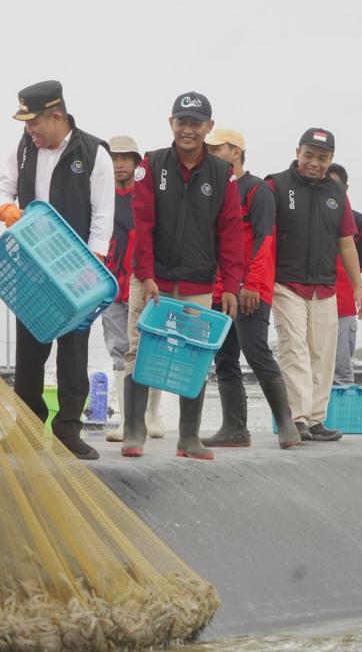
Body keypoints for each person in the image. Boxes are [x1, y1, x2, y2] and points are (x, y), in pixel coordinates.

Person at [0, 80, 114, 460]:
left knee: (73, 349)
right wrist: (7, 211)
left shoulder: (94, 153)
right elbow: (2, 190)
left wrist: (94, 263)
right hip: (32, 263)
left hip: (75, 265)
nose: (30, 130)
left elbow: (103, 214)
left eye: (34, 123)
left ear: (56, 115)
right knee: (29, 350)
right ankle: (25, 429)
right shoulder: (24, 148)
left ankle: (68, 430)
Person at [126, 92, 244, 460]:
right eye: (182, 122)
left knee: (195, 357)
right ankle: (134, 431)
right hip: (152, 279)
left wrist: (230, 286)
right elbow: (141, 225)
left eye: (196, 123)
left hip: (198, 283)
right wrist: (145, 276)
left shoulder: (223, 174)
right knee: (138, 350)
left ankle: (188, 437)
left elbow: (230, 233)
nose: (188, 130)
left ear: (209, 127)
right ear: (171, 123)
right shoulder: (150, 165)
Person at [202, 128, 302, 450]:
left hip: (250, 288)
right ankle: (234, 428)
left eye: (217, 149)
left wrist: (252, 284)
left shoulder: (256, 190)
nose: (211, 153)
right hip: (219, 289)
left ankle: (287, 423)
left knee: (255, 349)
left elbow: (265, 239)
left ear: (236, 151)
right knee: (224, 356)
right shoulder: (213, 191)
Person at [266, 128, 362, 442]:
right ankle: (295, 419)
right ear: (297, 152)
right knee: (293, 349)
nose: (314, 162)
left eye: (322, 157)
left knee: (322, 353)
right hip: (286, 283)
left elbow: (347, 243)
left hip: (325, 286)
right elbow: (263, 236)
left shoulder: (337, 194)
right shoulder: (276, 185)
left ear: (331, 159)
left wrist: (358, 287)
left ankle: (315, 419)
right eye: (308, 155)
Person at [101, 135, 165, 443]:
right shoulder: (100, 197)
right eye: (113, 158)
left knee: (150, 348)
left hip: (143, 281)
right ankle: (127, 418)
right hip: (111, 285)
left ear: (137, 162)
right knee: (118, 349)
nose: (118, 164)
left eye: (125, 158)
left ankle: (152, 415)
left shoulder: (147, 195)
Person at [327, 163, 362, 385]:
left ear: (346, 188)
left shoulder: (359, 222)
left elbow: (359, 264)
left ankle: (341, 417)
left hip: (343, 304)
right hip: (311, 299)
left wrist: (356, 289)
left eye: (337, 186)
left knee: (342, 372)